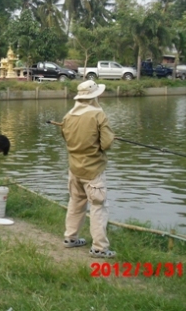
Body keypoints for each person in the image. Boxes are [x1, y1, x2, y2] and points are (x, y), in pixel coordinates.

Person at [60, 80, 115, 258]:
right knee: (98, 206)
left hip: (74, 168)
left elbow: (66, 138)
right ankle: (99, 248)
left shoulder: (68, 116)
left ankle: (70, 238)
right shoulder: (98, 115)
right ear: (94, 97)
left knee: (76, 202)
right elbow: (106, 144)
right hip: (93, 170)